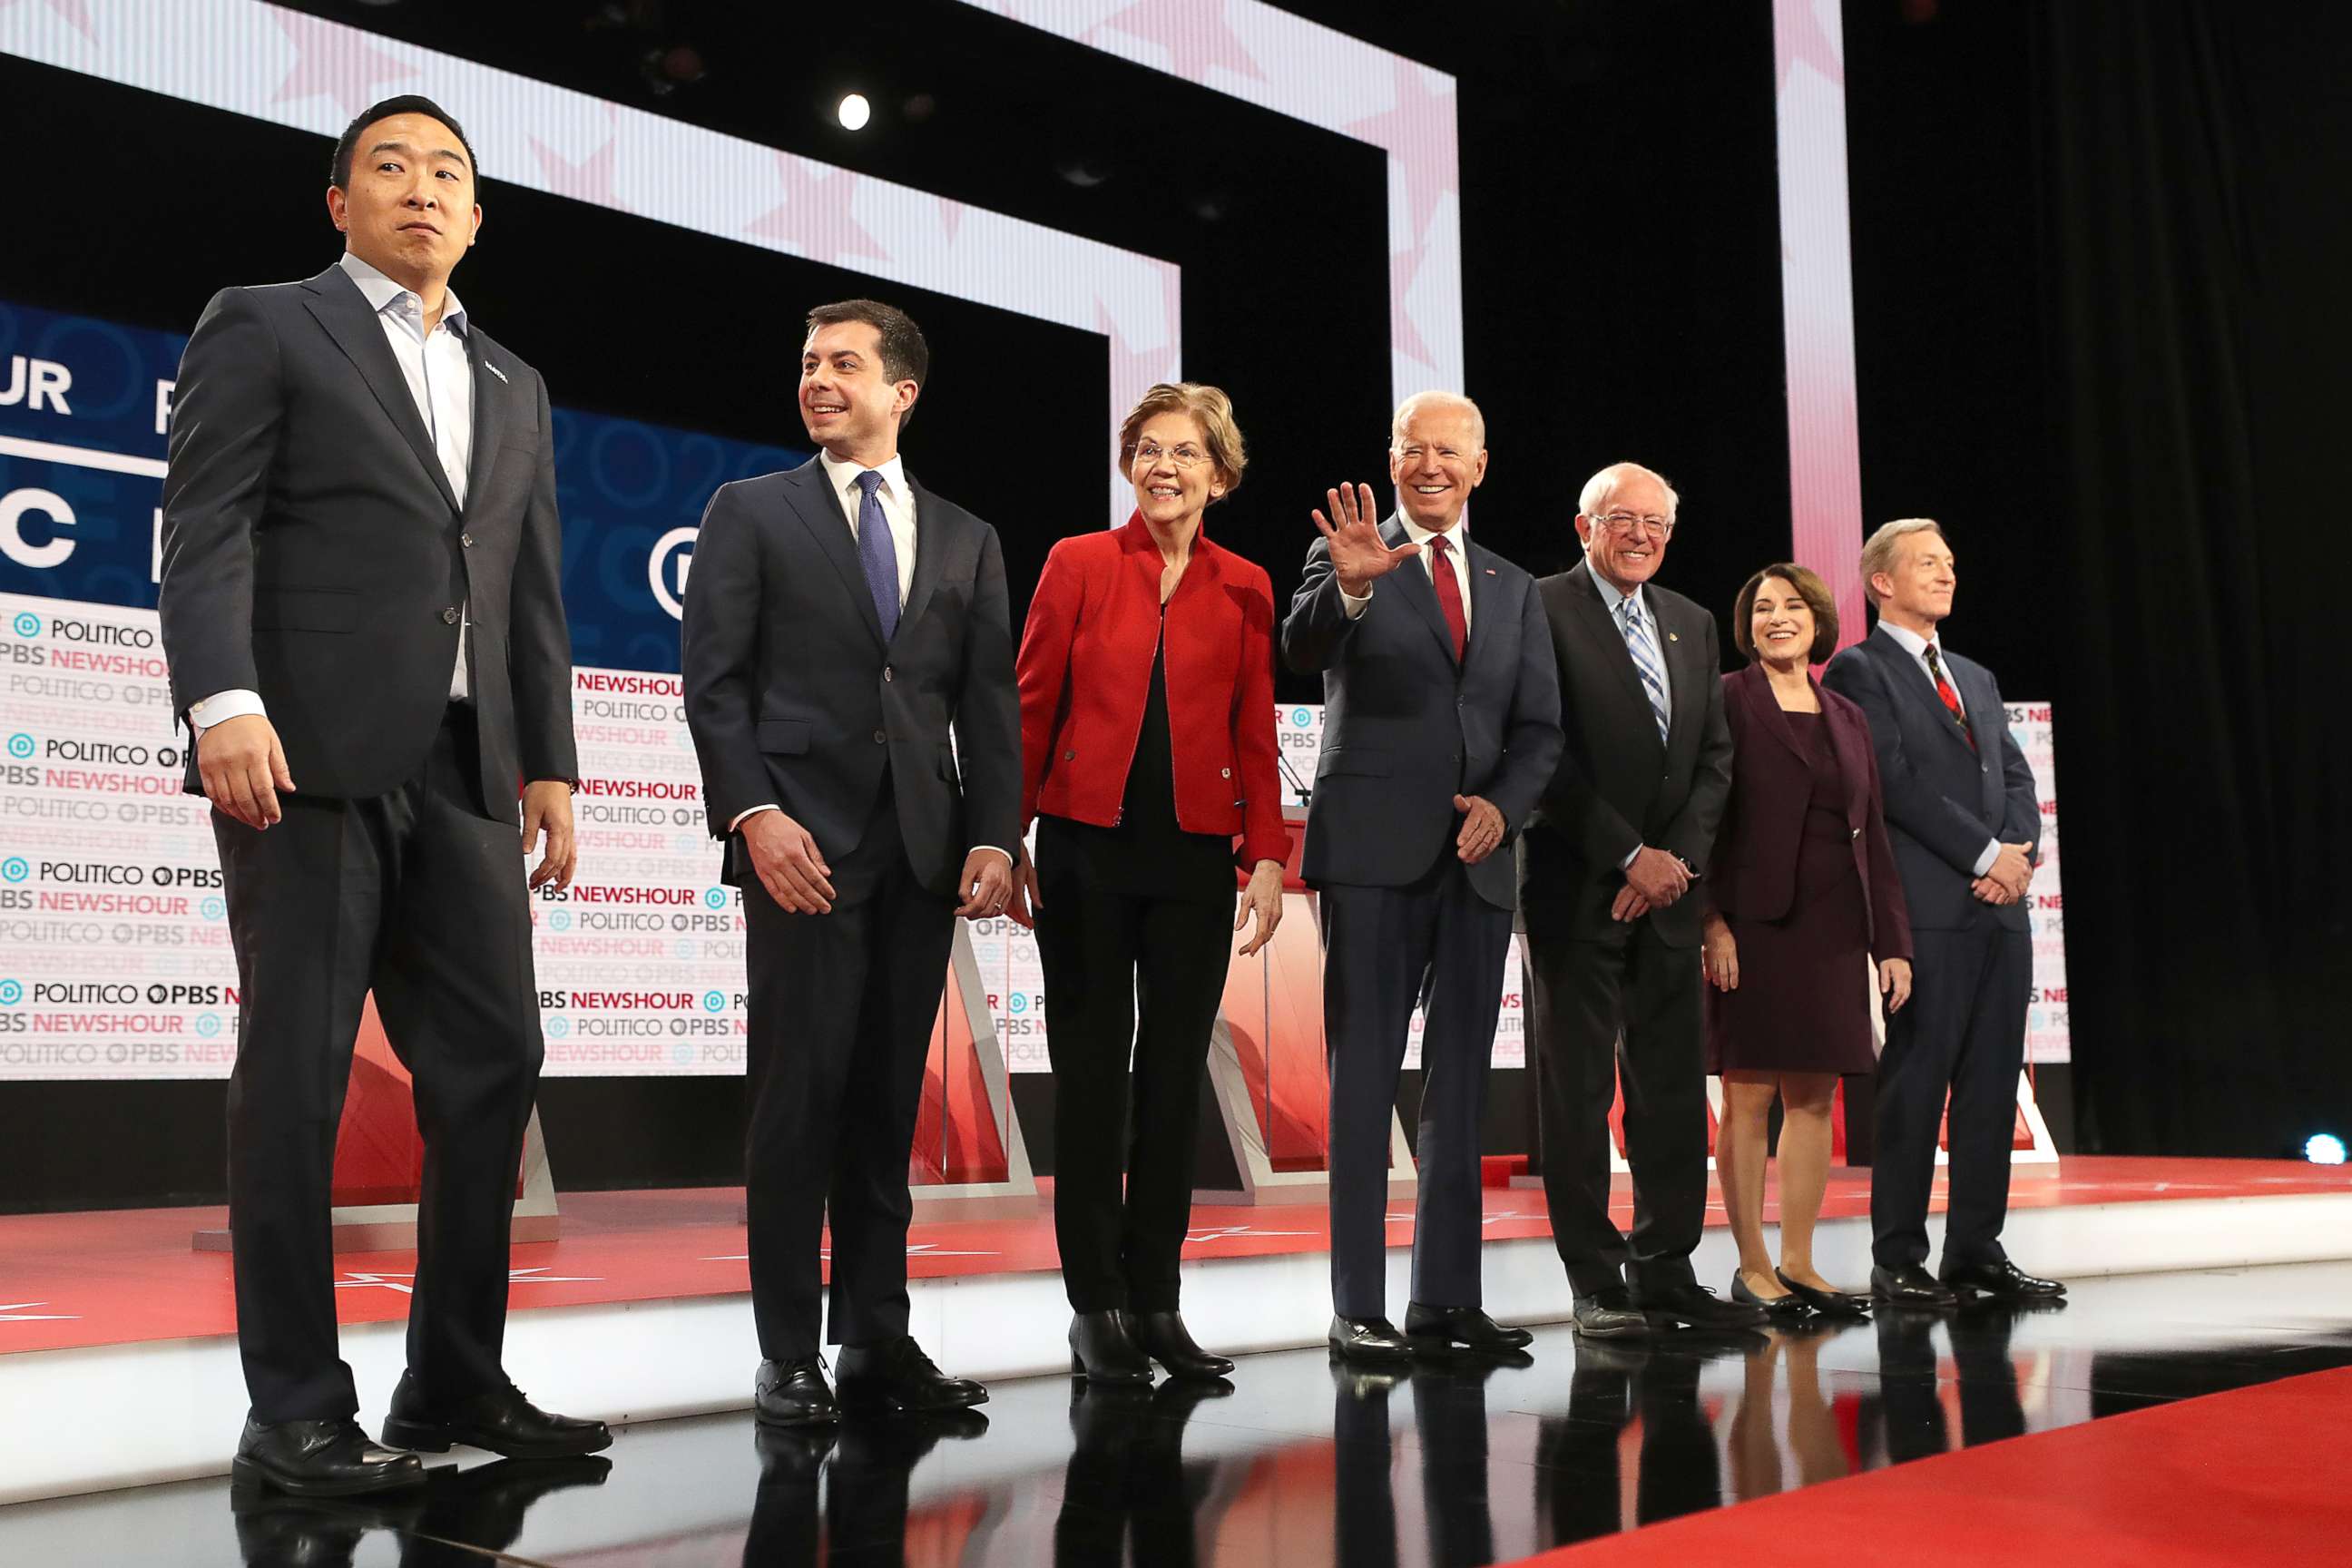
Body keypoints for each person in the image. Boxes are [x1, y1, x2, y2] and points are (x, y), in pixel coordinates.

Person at [157, 95, 607, 1495]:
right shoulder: (271, 321)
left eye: (450, 175)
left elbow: (526, 582)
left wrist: (550, 763)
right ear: (338, 198)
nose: (423, 189)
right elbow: (208, 519)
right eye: (392, 167)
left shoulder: (516, 381)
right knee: (293, 1082)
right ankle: (293, 1407)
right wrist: (221, 698)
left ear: (478, 218)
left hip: (470, 771)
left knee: (496, 1069)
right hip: (305, 758)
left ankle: (451, 1380)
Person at [681, 298, 1020, 1426]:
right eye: (808, 360)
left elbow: (988, 707)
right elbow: (714, 685)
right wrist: (751, 816)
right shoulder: (750, 511)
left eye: (843, 363)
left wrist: (991, 833)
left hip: (921, 855)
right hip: (799, 851)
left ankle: (876, 1335)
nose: (818, 378)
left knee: (884, 1104)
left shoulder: (968, 536)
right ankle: (787, 1352)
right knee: (797, 1101)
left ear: (902, 391)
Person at [1012, 384, 1291, 1384]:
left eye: (1185, 453)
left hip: (1192, 859)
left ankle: (1157, 1300)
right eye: (1148, 450)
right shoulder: (1078, 563)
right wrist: (1006, 839)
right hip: (1086, 849)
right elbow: (1030, 705)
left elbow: (1255, 730)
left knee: (1173, 1088)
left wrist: (1266, 855)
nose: (1164, 467)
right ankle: (1095, 1306)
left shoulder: (1250, 585)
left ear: (1219, 473)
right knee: (1092, 1080)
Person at [1281, 391, 1563, 1363]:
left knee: (1460, 1092)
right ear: (1392, 460)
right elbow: (1301, 645)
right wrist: (1352, 589)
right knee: (1362, 1083)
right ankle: (1357, 1306)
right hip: (1368, 856)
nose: (1431, 465)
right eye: (1414, 449)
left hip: (1479, 865)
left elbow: (1539, 730)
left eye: (1450, 451)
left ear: (1481, 466)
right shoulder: (1347, 551)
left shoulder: (1513, 584)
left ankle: (1446, 1301)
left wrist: (1505, 807)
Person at [1520, 462, 1759, 1338]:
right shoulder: (1539, 607)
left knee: (1666, 1090)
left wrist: (1675, 865)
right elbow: (1538, 749)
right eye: (1624, 520)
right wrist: (1627, 853)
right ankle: (1595, 1280)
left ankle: (1666, 1267)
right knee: (1577, 1092)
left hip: (1668, 898)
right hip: (1575, 886)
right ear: (1584, 526)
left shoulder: (1693, 623)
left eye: (1657, 523)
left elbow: (1715, 759)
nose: (1642, 537)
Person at [1822, 520, 2063, 1308]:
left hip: (2000, 913)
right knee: (1917, 1084)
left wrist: (2017, 854)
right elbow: (1891, 780)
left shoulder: (1976, 676)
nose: (1947, 574)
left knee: (1992, 1084)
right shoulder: (1858, 670)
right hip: (1927, 909)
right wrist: (1983, 855)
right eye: (1928, 563)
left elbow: (2019, 780)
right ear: (1881, 582)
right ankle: (1898, 1259)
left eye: (1951, 562)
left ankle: (1976, 1252)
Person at [1702, 564, 1915, 1319]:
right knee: (1749, 1095)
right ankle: (1751, 1266)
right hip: (1751, 927)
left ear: (1819, 619)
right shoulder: (1725, 698)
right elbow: (1699, 818)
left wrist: (1892, 942)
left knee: (1815, 1097)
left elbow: (1876, 839)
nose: (1778, 617)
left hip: (1834, 927)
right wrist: (1710, 921)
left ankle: (1799, 1261)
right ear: (1747, 624)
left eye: (1792, 606)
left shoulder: (1847, 715)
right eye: (1763, 607)